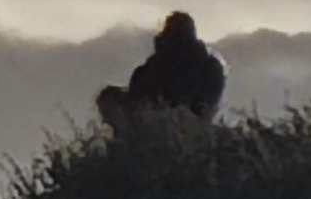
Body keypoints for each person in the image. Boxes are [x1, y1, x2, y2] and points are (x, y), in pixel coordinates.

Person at [97, 10, 228, 137]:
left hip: (181, 125)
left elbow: (204, 107)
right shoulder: (152, 67)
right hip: (149, 123)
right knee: (109, 96)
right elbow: (136, 97)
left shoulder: (207, 67)